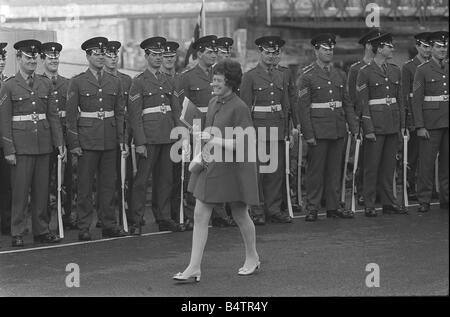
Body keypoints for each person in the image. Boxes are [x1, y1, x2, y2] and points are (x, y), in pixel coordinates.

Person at [173, 59, 260, 282]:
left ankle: (253, 257)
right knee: (201, 213)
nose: (213, 84)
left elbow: (243, 143)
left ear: (230, 82)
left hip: (235, 166)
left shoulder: (239, 107)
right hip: (213, 163)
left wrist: (213, 138)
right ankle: (194, 268)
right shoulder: (213, 102)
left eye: (218, 81)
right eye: (213, 80)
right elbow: (210, 133)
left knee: (240, 214)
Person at [0, 39, 66, 247]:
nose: (32, 61)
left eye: (34, 57)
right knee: (20, 192)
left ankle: (42, 229)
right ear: (18, 58)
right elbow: (4, 120)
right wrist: (9, 148)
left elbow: (53, 116)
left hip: (43, 144)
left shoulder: (45, 83)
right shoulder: (9, 85)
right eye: (28, 57)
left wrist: (59, 143)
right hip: (21, 147)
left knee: (41, 191)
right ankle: (17, 231)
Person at [66, 37, 127, 241]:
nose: (101, 57)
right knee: (85, 186)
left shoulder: (115, 81)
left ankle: (108, 223)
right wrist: (74, 143)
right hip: (87, 140)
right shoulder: (78, 81)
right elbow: (71, 115)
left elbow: (119, 114)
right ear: (88, 56)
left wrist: (121, 140)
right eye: (97, 54)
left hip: (109, 139)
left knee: (108, 184)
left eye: (103, 53)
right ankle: (84, 225)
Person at [175, 35, 234, 228]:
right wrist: (184, 135)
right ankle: (193, 215)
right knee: (195, 172)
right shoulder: (186, 77)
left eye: (215, 52)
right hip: (196, 130)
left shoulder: (219, 75)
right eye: (209, 52)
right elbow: (181, 108)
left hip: (216, 129)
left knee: (217, 172)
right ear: (199, 53)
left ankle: (219, 214)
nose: (214, 55)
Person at [297, 33, 358, 221]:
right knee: (316, 172)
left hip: (338, 128)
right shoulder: (307, 76)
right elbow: (303, 107)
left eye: (331, 49)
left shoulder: (340, 74)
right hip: (318, 130)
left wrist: (354, 127)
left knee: (335, 170)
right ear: (316, 51)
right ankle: (313, 207)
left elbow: (346, 103)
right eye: (325, 49)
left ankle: (333, 206)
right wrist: (308, 134)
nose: (329, 52)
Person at [127, 37, 184, 234]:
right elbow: (135, 115)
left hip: (168, 136)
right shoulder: (139, 82)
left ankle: (164, 217)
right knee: (142, 181)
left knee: (165, 180)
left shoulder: (169, 80)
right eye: (155, 54)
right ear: (147, 56)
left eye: (161, 54)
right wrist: (140, 142)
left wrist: (180, 134)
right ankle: (136, 219)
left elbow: (176, 110)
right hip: (149, 138)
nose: (159, 58)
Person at [240, 35, 293, 225]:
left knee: (276, 172)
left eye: (275, 52)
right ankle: (257, 209)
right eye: (267, 52)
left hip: (277, 128)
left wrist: (288, 130)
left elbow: (285, 105)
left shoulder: (281, 75)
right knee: (258, 173)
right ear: (260, 53)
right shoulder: (250, 76)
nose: (271, 56)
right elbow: (245, 108)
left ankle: (273, 209)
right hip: (258, 129)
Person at [356, 32, 408, 217]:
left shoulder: (395, 70)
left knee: (389, 166)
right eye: (389, 46)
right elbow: (363, 103)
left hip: (392, 124)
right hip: (375, 126)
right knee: (371, 166)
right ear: (379, 49)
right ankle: (369, 203)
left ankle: (388, 202)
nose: (392, 48)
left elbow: (400, 100)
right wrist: (368, 128)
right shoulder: (365, 72)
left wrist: (402, 125)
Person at [39, 41, 76, 229]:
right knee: (44, 180)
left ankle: (67, 214)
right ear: (42, 59)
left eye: (56, 57)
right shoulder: (38, 82)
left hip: (64, 135)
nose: (54, 60)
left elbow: (71, 113)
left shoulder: (68, 83)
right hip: (45, 136)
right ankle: (44, 218)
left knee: (67, 178)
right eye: (49, 57)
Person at [412, 31, 449, 212]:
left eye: (445, 46)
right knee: (426, 163)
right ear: (431, 49)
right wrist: (419, 126)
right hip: (430, 124)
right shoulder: (422, 70)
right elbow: (416, 100)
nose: (443, 50)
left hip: (447, 122)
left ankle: (446, 198)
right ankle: (424, 199)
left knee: (447, 163)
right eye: (439, 47)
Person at [347, 28, 380, 207]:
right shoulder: (355, 69)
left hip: (381, 119)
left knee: (379, 159)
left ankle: (378, 191)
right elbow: (353, 98)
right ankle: (361, 191)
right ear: (368, 45)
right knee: (363, 159)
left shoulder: (382, 67)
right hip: (363, 119)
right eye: (376, 43)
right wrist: (356, 123)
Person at [103, 40, 133, 227]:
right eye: (109, 55)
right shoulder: (101, 80)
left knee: (125, 176)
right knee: (107, 178)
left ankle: (125, 211)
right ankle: (106, 214)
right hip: (105, 133)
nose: (113, 58)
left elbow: (130, 111)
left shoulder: (127, 80)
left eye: (115, 55)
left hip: (124, 134)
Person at [401, 32, 432, 201]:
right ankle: (409, 184)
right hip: (414, 117)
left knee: (428, 155)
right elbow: (406, 95)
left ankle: (427, 185)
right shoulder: (408, 67)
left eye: (430, 46)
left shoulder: (435, 66)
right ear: (417, 47)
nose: (427, 50)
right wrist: (408, 120)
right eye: (425, 46)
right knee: (413, 155)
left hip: (431, 116)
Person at [0, 42, 12, 236]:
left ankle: (6, 223)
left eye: (3, 57)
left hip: (5, 141)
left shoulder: (7, 83)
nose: (1, 61)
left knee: (6, 184)